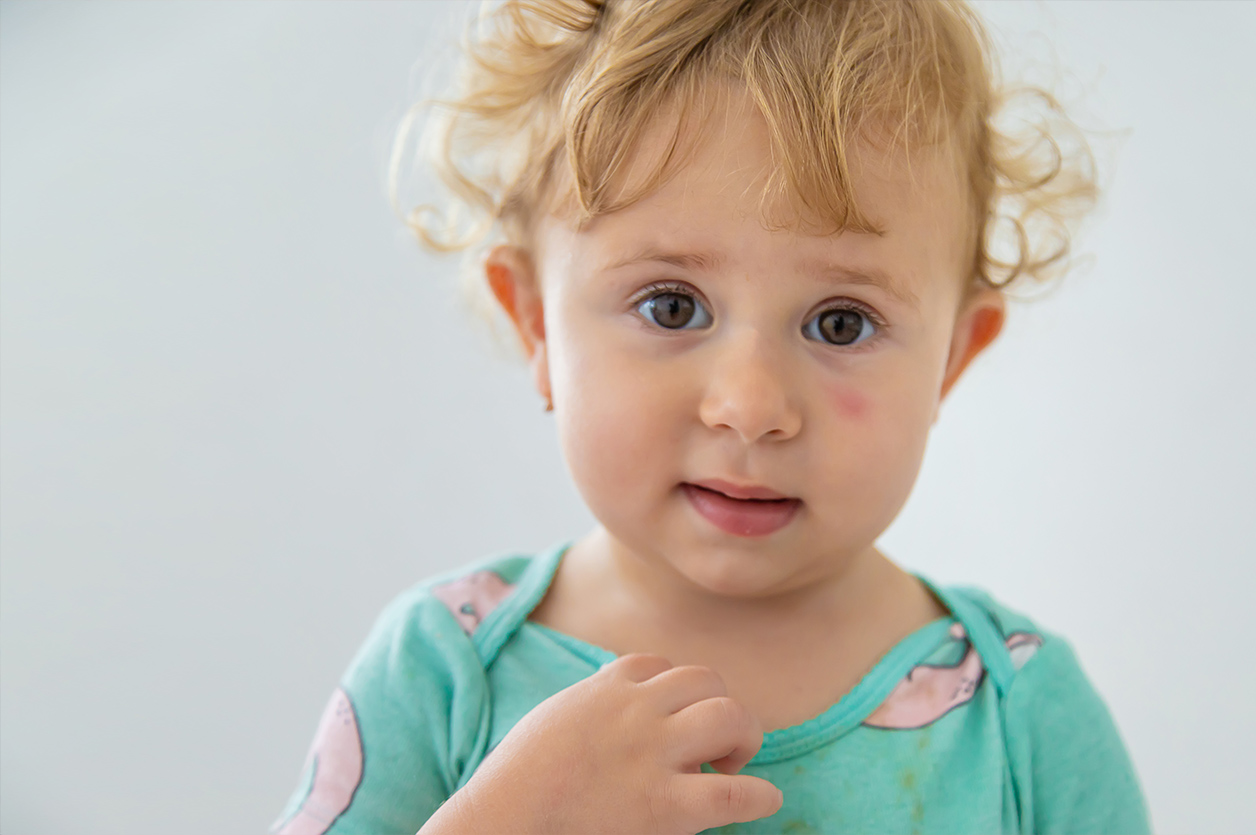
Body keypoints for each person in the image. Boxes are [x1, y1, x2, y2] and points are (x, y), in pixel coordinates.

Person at [272, 1, 1149, 832]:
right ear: (536, 320)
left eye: (840, 322)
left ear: (952, 358)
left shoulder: (1022, 711)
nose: (751, 407)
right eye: (672, 306)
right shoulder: (442, 670)